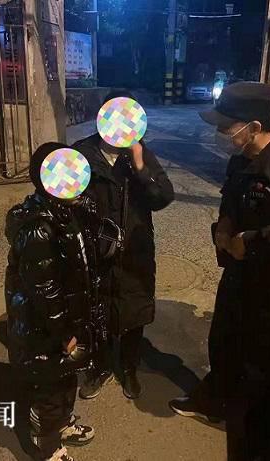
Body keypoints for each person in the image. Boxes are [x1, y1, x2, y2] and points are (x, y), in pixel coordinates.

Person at [169, 82, 270, 460]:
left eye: (227, 126)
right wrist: (224, 225)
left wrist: (251, 241)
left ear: (254, 127)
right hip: (238, 272)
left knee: (262, 359)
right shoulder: (241, 160)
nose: (220, 133)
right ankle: (215, 401)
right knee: (224, 341)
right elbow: (231, 201)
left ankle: (260, 430)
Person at [5, 142, 119, 461]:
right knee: (50, 388)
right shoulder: (39, 229)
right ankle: (48, 446)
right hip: (45, 328)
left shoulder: (68, 211)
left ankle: (62, 423)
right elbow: (45, 292)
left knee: (66, 377)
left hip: (69, 318)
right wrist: (64, 333)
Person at [73, 91, 175, 400]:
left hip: (135, 248)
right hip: (96, 249)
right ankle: (101, 365)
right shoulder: (82, 153)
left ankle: (130, 367)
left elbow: (163, 197)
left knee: (134, 308)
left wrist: (141, 167)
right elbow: (60, 195)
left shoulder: (141, 155)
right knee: (97, 308)